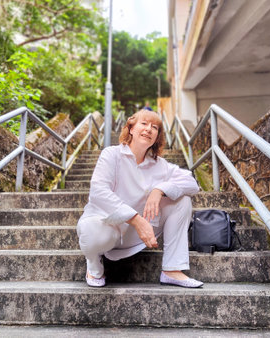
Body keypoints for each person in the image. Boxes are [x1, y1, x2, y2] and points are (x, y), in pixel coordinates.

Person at [76, 109, 203, 288]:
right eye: (144, 124)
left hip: (136, 237)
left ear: (157, 136)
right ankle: (95, 266)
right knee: (90, 229)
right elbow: (98, 191)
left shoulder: (160, 165)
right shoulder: (111, 154)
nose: (149, 129)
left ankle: (172, 269)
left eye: (155, 127)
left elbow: (191, 182)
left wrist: (159, 190)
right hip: (107, 229)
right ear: (131, 128)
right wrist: (135, 219)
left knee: (182, 201)